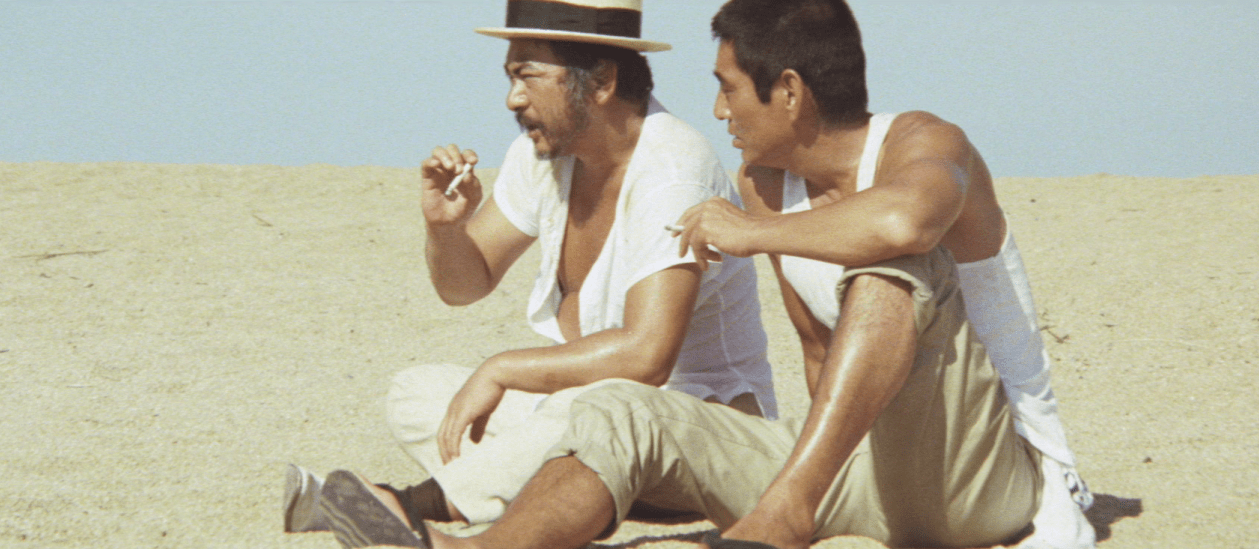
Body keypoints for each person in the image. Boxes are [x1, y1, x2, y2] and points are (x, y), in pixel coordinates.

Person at [312, 1, 1092, 548]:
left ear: (790, 91)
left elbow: (904, 224)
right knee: (615, 411)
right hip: (854, 470)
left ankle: (778, 512)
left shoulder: (925, 142)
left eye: (728, 88)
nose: (718, 113)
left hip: (981, 467)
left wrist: (752, 233)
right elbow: (817, 351)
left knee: (891, 270)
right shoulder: (765, 180)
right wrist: (443, 227)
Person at [283, 0, 777, 534]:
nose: (513, 98)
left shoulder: (674, 172)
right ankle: (556, 497)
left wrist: (501, 368)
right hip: (586, 409)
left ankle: (403, 506)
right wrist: (445, 228)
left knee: (587, 410)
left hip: (689, 429)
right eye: (510, 77)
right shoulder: (544, 154)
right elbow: (464, 286)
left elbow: (646, 355)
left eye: (527, 76)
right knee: (418, 394)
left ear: (602, 80)